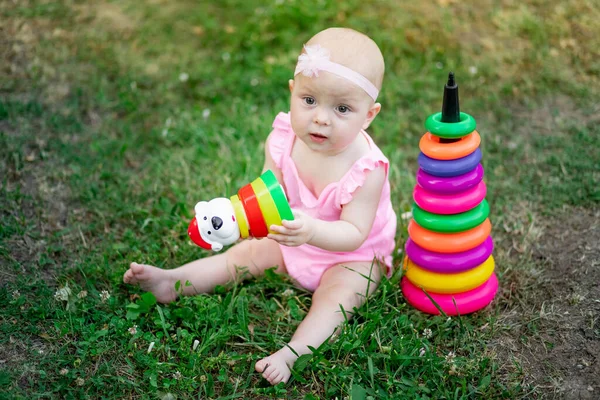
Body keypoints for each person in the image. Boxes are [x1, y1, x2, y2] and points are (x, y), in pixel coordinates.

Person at [123, 27, 397, 385]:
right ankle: (174, 281)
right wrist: (241, 219)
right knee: (242, 256)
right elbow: (270, 194)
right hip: (292, 239)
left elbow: (354, 233)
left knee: (337, 298)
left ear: (369, 116)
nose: (321, 118)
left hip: (350, 257)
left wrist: (312, 231)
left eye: (342, 108)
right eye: (309, 100)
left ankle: (293, 351)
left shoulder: (366, 169)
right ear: (292, 92)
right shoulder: (283, 139)